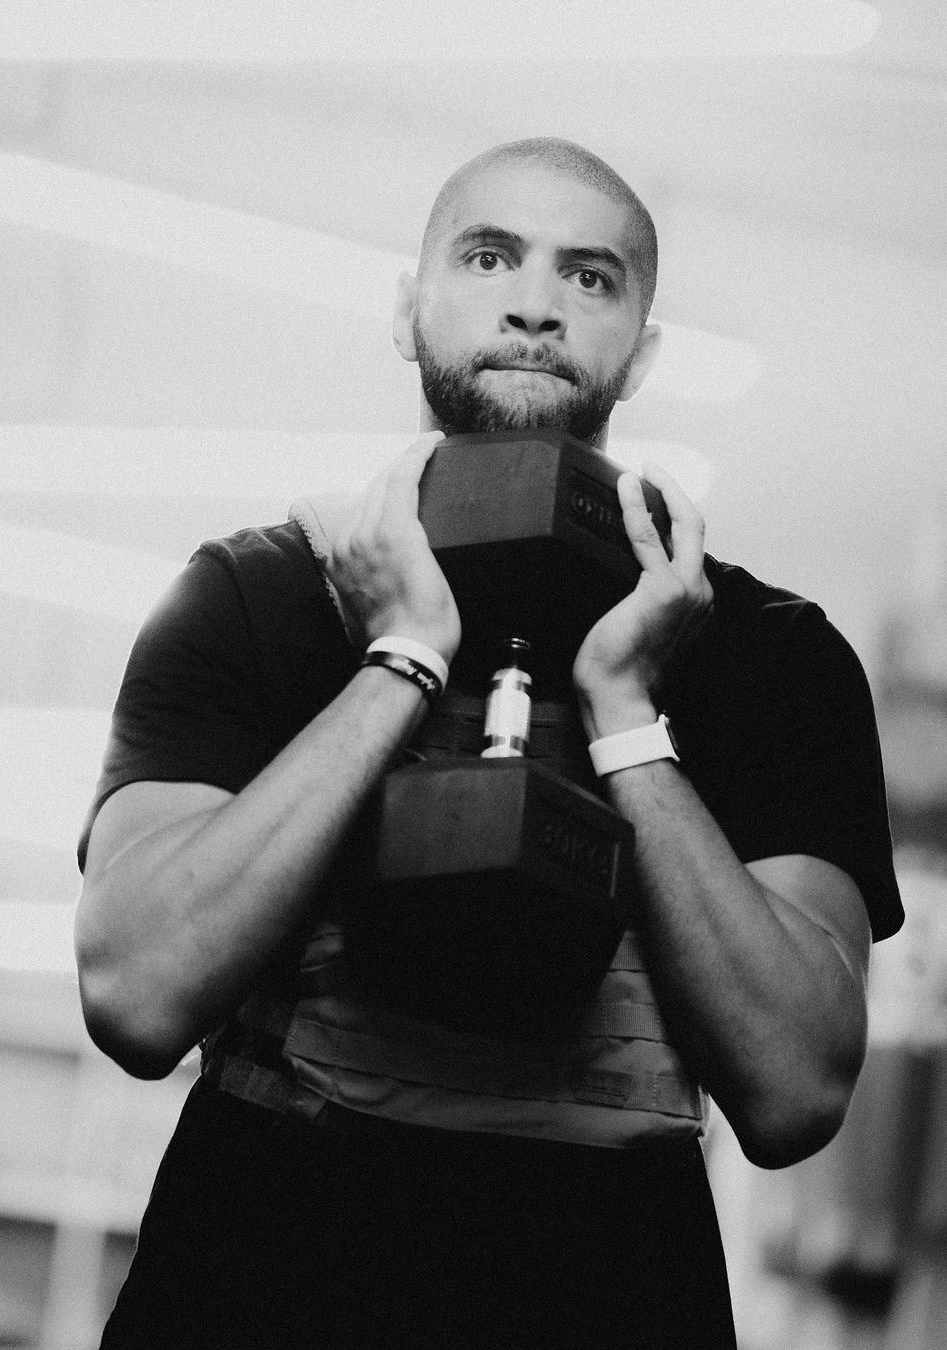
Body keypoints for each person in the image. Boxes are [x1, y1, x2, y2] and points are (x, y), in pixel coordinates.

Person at [74, 137, 903, 1348]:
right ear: (406, 310)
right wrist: (399, 661)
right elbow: (135, 994)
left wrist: (626, 718)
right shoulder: (256, 594)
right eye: (488, 256)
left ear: (642, 350)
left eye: (589, 276)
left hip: (608, 1296)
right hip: (260, 1276)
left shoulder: (768, 654)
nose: (534, 303)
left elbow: (796, 1090)